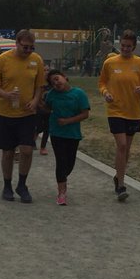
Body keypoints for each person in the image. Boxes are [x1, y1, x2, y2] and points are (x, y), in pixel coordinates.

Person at [0, 28, 46, 203]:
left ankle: (22, 184)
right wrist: (5, 95)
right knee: (8, 152)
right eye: (25, 47)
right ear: (17, 43)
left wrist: (35, 100)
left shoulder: (36, 60)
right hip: (5, 113)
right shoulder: (3, 59)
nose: (28, 51)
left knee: (27, 151)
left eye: (31, 48)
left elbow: (40, 85)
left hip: (27, 114)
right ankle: (7, 185)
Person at [98, 30, 140, 201]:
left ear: (134, 47)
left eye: (129, 46)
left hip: (133, 111)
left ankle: (118, 176)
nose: (125, 49)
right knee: (121, 145)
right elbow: (102, 82)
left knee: (126, 149)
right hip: (115, 110)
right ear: (119, 44)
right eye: (123, 45)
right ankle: (121, 186)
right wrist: (105, 93)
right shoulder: (110, 62)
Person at [42, 69, 91, 206]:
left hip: (73, 134)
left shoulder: (79, 93)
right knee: (61, 161)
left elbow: (85, 114)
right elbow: (47, 108)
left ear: (64, 77)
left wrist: (68, 121)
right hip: (57, 133)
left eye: (57, 79)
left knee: (70, 164)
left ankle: (62, 178)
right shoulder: (51, 95)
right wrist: (40, 104)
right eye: (53, 83)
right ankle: (61, 192)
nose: (56, 83)